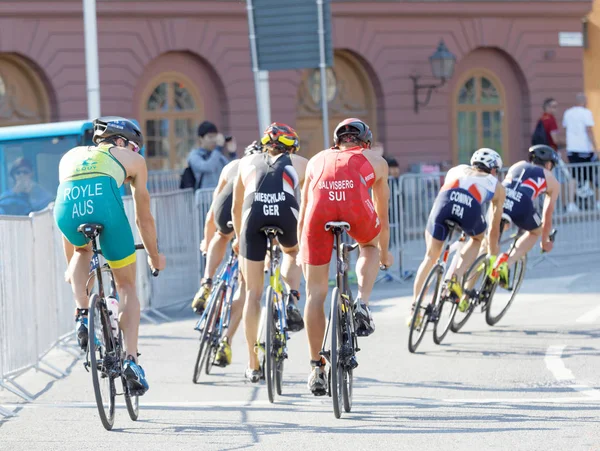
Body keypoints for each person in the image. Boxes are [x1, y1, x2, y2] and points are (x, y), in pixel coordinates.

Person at [53, 116, 166, 395]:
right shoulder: (132, 161)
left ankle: (81, 313)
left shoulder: (70, 156)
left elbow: (69, 223)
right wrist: (153, 255)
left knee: (82, 250)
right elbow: (144, 217)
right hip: (106, 206)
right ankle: (131, 360)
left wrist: (72, 269)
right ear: (120, 142)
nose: (135, 154)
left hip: (66, 210)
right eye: (134, 147)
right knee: (127, 285)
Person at [298, 118, 393, 396]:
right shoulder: (375, 160)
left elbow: (304, 209)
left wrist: (299, 248)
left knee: (315, 294)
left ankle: (316, 366)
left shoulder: (316, 159)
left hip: (318, 217)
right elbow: (383, 216)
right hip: (356, 212)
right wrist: (384, 253)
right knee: (369, 246)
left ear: (336, 142)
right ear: (365, 141)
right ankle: (362, 302)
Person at [232, 122, 307, 383]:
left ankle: (253, 363)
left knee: (253, 294)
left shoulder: (246, 162)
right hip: (287, 214)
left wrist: (239, 239)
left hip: (252, 217)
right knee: (293, 251)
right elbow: (308, 201)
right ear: (291, 146)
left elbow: (236, 208)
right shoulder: (299, 162)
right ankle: (291, 298)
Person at [189, 141, 263, 367]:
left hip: (225, 205)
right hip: (248, 208)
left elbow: (213, 212)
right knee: (245, 287)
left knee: (221, 235)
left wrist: (206, 240)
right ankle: (226, 341)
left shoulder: (231, 166)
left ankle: (207, 281)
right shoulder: (264, 168)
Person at [410, 148, 505, 320]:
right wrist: (492, 253)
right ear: (493, 169)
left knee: (430, 257)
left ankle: (415, 309)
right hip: (470, 209)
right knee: (477, 238)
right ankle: (456, 277)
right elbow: (494, 227)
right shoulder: (496, 185)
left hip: (444, 203)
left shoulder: (456, 169)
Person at [499, 145, 559, 285]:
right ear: (549, 164)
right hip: (522, 203)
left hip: (501, 198)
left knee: (491, 236)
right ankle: (506, 263)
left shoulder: (518, 165)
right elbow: (547, 216)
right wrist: (544, 242)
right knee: (536, 231)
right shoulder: (552, 180)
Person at [562, 93, 599, 209]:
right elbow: (589, 130)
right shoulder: (586, 113)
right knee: (594, 175)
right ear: (584, 102)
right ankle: (598, 202)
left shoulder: (568, 113)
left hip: (572, 150)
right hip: (585, 149)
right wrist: (596, 147)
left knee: (573, 177)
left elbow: (566, 128)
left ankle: (571, 204)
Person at [188, 121, 237, 192]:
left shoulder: (218, 156)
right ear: (201, 138)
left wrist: (232, 153)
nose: (214, 140)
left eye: (215, 137)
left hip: (219, 198)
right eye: (210, 137)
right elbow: (208, 167)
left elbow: (233, 170)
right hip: (204, 199)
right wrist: (218, 148)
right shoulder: (195, 155)